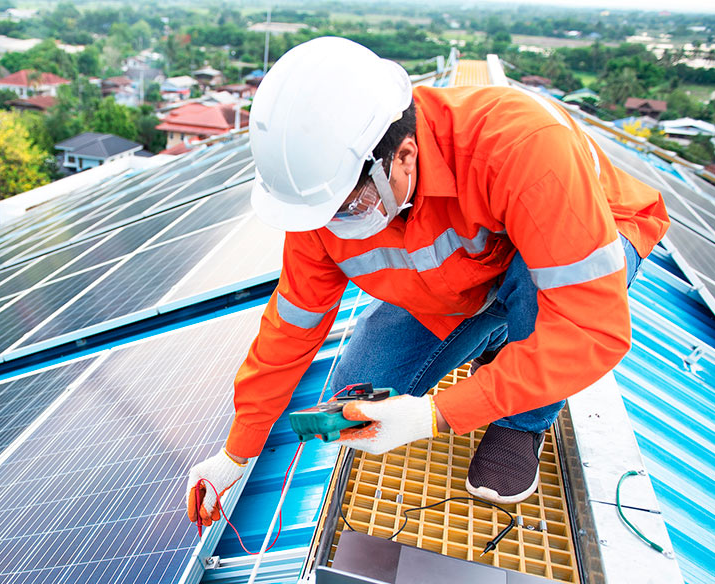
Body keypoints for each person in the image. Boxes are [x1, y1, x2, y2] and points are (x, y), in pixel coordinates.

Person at [186, 37, 669, 527]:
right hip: (462, 280)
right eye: (322, 212)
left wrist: (436, 413)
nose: (335, 224)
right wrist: (237, 452)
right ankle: (501, 332)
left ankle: (522, 423)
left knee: (537, 296)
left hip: (572, 249)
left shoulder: (518, 145)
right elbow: (292, 326)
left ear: (404, 156)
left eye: (349, 206)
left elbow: (591, 328)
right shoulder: (324, 205)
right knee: (353, 399)